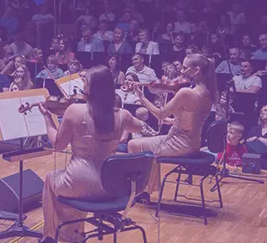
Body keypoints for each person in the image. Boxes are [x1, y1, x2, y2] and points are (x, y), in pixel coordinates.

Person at [38, 66, 145, 243]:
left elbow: (57, 145)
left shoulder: (74, 110)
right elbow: (142, 127)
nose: (83, 85)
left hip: (79, 181)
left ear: (93, 88)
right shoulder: (123, 115)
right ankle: (75, 233)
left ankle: (53, 235)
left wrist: (47, 118)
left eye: (86, 82)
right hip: (111, 187)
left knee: (52, 179)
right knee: (75, 185)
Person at [127, 53, 217, 200]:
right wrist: (174, 121)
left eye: (185, 68)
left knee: (133, 144)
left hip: (178, 144)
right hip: (194, 144)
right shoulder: (208, 93)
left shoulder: (186, 92)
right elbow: (193, 118)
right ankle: (146, 189)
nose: (181, 71)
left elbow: (160, 114)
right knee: (149, 146)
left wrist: (141, 97)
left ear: (197, 70)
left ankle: (140, 191)